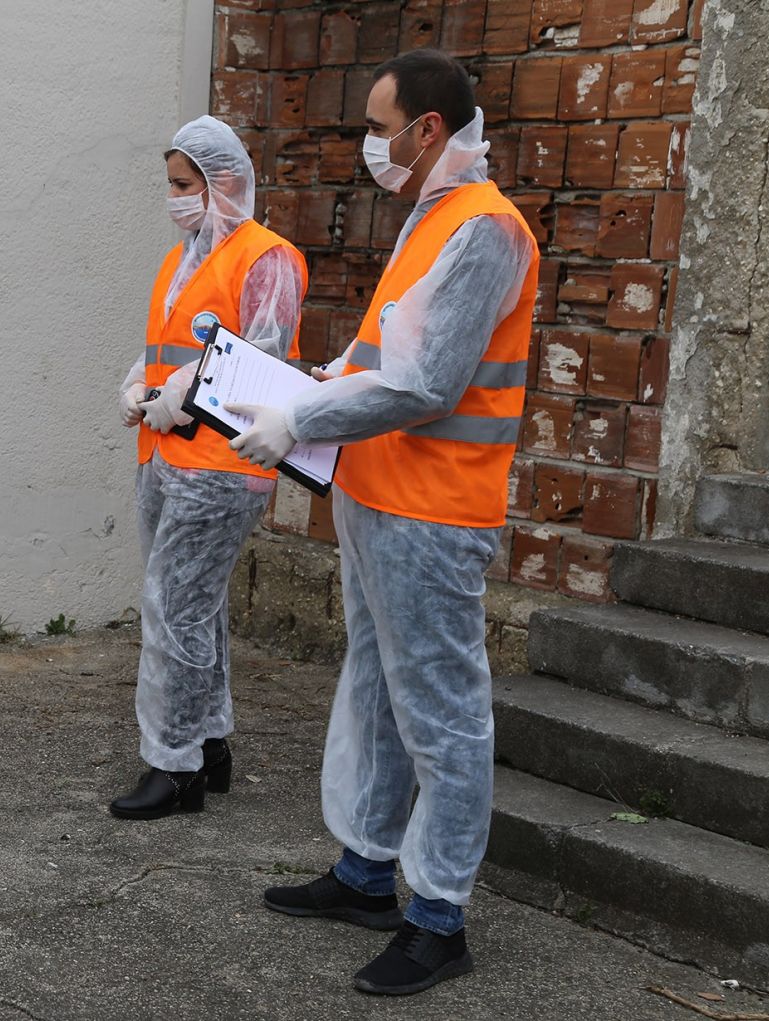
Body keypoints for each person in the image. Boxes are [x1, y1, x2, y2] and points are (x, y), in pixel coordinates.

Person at [226, 49, 539, 995]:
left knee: (442, 715)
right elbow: (377, 350)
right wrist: (308, 384)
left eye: (376, 124)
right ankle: (367, 872)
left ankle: (438, 915)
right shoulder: (434, 214)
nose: (369, 143)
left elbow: (428, 383)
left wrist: (304, 416)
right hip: (378, 494)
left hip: (436, 510)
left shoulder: (485, 229)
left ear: (428, 129)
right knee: (375, 692)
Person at [109, 116, 308, 821]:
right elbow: (161, 344)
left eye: (184, 184)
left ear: (225, 182)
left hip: (222, 466)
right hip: (163, 456)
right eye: (170, 184)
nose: (174, 198)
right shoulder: (181, 258)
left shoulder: (269, 258)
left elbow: (265, 357)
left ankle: (174, 767)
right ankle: (210, 746)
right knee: (196, 607)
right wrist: (139, 385)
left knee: (173, 607)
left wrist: (182, 396)